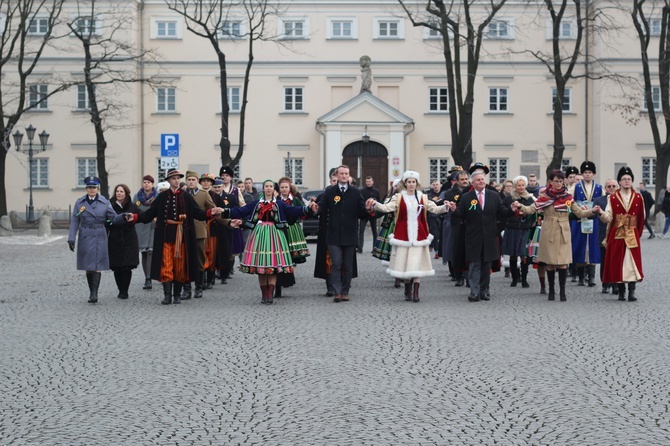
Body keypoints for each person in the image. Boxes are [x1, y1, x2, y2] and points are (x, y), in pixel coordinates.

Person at [131, 169, 226, 305]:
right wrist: (134, 217)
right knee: (166, 266)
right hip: (165, 235)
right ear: (169, 181)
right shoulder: (162, 197)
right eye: (173, 178)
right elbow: (149, 214)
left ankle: (177, 295)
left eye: (178, 178)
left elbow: (198, 214)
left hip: (183, 237)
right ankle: (167, 295)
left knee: (180, 267)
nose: (176, 180)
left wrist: (211, 211)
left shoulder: (186, 196)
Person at [223, 179, 316, 304]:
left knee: (272, 265)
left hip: (275, 234)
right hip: (259, 233)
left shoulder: (278, 203)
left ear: (273, 189)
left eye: (271, 186)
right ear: (263, 188)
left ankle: (270, 294)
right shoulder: (257, 203)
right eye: (266, 186)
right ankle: (264, 294)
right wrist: (225, 211)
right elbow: (242, 211)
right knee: (261, 265)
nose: (268, 188)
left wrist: (307, 208)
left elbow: (293, 210)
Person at [513, 170, 601, 301]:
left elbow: (578, 213)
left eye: (560, 181)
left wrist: (591, 211)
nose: (559, 184)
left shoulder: (567, 197)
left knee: (563, 262)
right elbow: (531, 209)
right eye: (556, 181)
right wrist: (519, 206)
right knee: (551, 263)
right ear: (550, 182)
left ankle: (563, 291)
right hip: (549, 229)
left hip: (564, 230)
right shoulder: (544, 197)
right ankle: (552, 290)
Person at [367, 171, 451, 302]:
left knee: (416, 264)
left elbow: (435, 209)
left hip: (419, 234)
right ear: (405, 183)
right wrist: (375, 204)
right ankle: (408, 290)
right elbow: (386, 208)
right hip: (403, 234)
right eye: (409, 182)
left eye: (413, 182)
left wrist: (446, 207)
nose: (411, 184)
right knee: (405, 264)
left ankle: (416, 292)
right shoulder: (399, 197)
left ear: (416, 183)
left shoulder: (423, 197)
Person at [451, 163, 514, 302]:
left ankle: (484, 290)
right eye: (478, 180)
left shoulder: (494, 195)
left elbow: (503, 212)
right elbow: (460, 214)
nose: (481, 181)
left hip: (490, 237)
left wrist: (512, 209)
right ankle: (474, 291)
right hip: (473, 237)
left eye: (482, 179)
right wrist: (454, 209)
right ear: (472, 182)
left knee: (486, 266)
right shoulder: (467, 197)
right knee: (474, 265)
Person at [67, 176, 129, 303]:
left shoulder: (104, 202)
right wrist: (71, 238)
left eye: (94, 187)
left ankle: (94, 293)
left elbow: (113, 218)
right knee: (88, 266)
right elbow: (74, 221)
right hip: (85, 235)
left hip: (99, 235)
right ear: (86, 189)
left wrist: (123, 216)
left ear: (97, 189)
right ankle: (91, 291)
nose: (92, 189)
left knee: (97, 265)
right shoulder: (80, 203)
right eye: (89, 187)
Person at [316, 165, 369, 303]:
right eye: (341, 173)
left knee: (347, 265)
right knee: (336, 263)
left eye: (346, 173)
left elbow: (362, 211)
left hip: (350, 234)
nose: (344, 176)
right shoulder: (330, 192)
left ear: (349, 175)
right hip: (333, 234)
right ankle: (337, 292)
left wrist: (369, 209)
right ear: (337, 175)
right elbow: (321, 208)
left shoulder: (355, 192)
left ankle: (345, 291)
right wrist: (315, 209)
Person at [597, 167, 645, 301]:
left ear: (632, 181)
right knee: (618, 262)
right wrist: (601, 213)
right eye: (624, 179)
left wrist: (637, 233)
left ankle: (632, 291)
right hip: (617, 233)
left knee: (632, 262)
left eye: (629, 179)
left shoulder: (638, 197)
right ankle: (621, 291)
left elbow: (642, 217)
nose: (627, 181)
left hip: (632, 233)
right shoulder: (612, 198)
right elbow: (609, 217)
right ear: (619, 182)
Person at [180, 170, 216, 300]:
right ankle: (187, 289)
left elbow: (213, 210)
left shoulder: (203, 194)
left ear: (197, 182)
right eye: (189, 180)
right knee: (185, 260)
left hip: (200, 231)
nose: (191, 182)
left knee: (199, 260)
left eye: (193, 180)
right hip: (184, 232)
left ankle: (199, 287)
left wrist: (227, 221)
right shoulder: (181, 195)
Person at [274, 177, 310, 297]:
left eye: (286, 187)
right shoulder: (275, 200)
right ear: (279, 188)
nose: (284, 189)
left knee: (288, 256)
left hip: (291, 229)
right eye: (282, 187)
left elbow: (303, 212)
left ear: (289, 188)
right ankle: (278, 285)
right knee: (279, 256)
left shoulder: (294, 200)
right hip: (278, 230)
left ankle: (286, 279)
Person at [571, 161, 604, 287]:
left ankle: (591, 277)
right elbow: (570, 202)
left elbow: (602, 203)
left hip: (593, 220)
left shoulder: (599, 188)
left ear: (594, 174)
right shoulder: (576, 187)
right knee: (580, 246)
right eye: (585, 173)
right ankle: (580, 276)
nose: (587, 175)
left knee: (593, 246)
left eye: (589, 172)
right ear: (582, 174)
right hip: (580, 220)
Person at [501, 176, 536, 288]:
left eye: (522, 185)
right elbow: (505, 213)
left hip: (524, 229)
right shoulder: (509, 198)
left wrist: (526, 215)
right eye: (518, 185)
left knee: (523, 255)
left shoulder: (529, 199)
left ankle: (524, 279)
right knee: (513, 255)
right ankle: (515, 279)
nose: (521, 187)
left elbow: (533, 214)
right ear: (515, 186)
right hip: (512, 228)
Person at [107, 184, 140, 299]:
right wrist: (111, 224)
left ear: (126, 193)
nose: (119, 193)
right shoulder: (110, 206)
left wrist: (132, 219)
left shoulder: (132, 206)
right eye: (117, 191)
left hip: (129, 238)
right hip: (115, 238)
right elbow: (106, 221)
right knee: (117, 266)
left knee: (127, 266)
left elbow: (139, 216)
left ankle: (124, 290)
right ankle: (120, 288)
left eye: (121, 191)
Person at [441, 170, 469, 286]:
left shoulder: (472, 191)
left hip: (469, 224)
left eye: (466, 179)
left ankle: (468, 276)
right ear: (457, 181)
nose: (465, 181)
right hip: (456, 224)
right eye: (462, 179)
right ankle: (458, 275)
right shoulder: (449, 193)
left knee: (468, 251)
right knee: (456, 250)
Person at [133, 175, 157, 290]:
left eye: (149, 182)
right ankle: (146, 277)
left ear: (152, 184)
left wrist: (156, 217)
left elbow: (161, 208)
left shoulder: (157, 196)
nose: (146, 184)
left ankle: (149, 278)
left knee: (151, 252)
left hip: (153, 226)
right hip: (141, 226)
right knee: (144, 252)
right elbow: (134, 209)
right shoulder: (137, 197)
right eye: (144, 182)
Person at [594, 178, 618, 294]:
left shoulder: (620, 200)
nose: (612, 188)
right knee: (604, 261)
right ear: (605, 188)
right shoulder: (599, 200)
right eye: (609, 186)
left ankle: (615, 284)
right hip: (603, 235)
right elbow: (592, 215)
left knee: (616, 261)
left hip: (617, 235)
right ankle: (605, 283)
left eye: (614, 186)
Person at [358, 176, 381, 253]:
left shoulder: (376, 191)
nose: (368, 183)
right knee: (361, 231)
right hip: (364, 214)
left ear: (372, 182)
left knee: (374, 232)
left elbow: (379, 202)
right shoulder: (361, 191)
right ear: (365, 182)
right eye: (367, 181)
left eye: (369, 181)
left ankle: (374, 248)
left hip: (373, 214)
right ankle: (360, 248)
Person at [426, 179, 443, 257]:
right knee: (435, 234)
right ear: (431, 186)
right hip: (432, 217)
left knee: (441, 234)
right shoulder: (428, 194)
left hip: (442, 216)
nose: (435, 186)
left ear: (440, 185)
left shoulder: (443, 194)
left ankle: (435, 246)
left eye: (437, 184)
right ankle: (436, 252)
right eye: (434, 185)